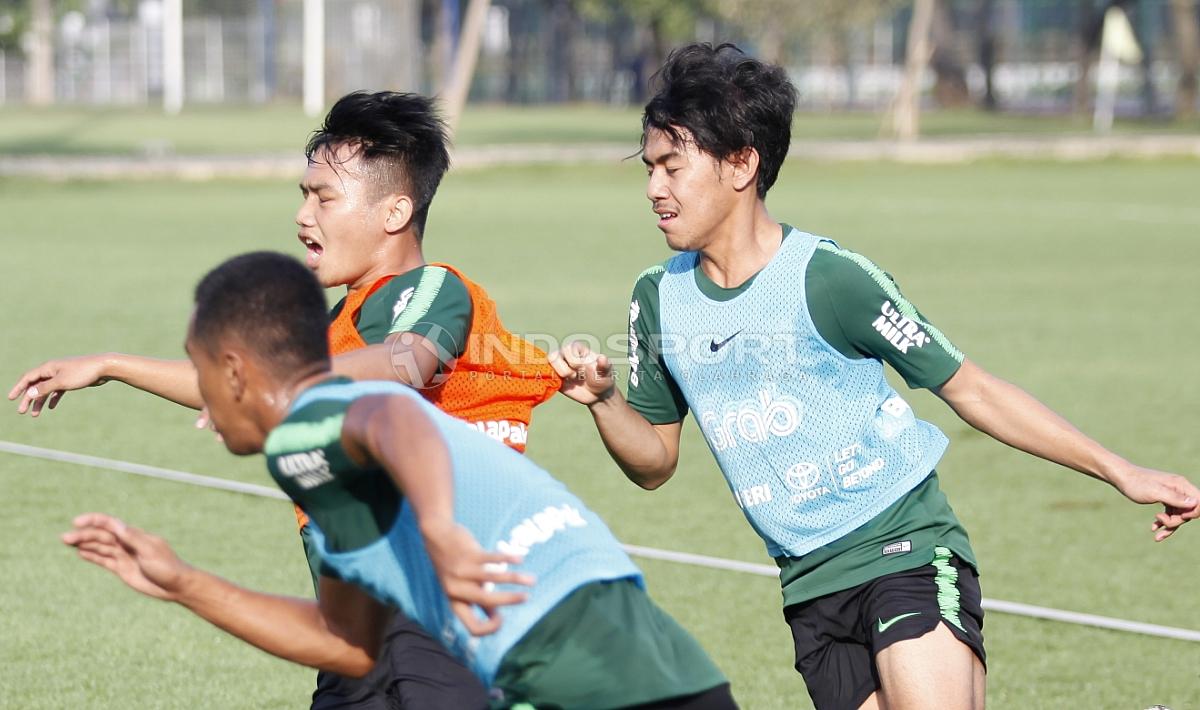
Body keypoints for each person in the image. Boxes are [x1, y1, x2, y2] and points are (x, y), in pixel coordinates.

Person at [549, 43, 1200, 710]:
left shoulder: (829, 278)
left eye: (672, 167)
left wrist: (1121, 470)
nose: (655, 188)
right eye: (650, 168)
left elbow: (970, 388)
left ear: (742, 163)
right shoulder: (657, 297)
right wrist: (602, 402)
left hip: (904, 547)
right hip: (806, 585)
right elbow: (654, 460)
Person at [10, 91, 561, 709]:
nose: (303, 215)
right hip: (350, 622)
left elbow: (405, 362)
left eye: (323, 197)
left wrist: (294, 385)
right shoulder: (332, 332)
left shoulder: (433, 288)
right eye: (303, 195)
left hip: (434, 610)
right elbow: (247, 384)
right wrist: (110, 366)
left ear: (395, 211)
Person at [62, 251, 736, 710]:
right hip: (660, 667)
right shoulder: (324, 472)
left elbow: (393, 415)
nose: (200, 394)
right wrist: (183, 583)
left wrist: (441, 527)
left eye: (200, 369)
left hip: (597, 677)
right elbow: (346, 644)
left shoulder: (312, 426)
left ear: (235, 373)